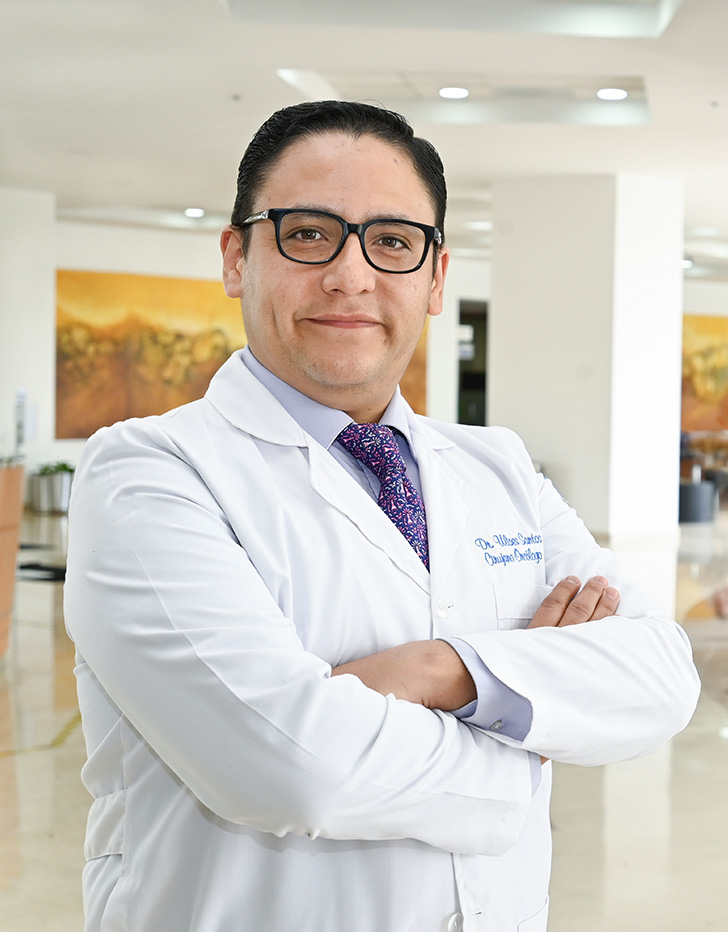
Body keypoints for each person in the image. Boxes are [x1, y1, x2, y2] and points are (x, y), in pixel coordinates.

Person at [64, 100, 700, 932]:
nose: (351, 276)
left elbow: (663, 675)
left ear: (436, 279)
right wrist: (528, 729)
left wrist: (443, 670)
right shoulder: (148, 473)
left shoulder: (498, 466)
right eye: (307, 233)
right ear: (236, 258)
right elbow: (293, 768)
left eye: (393, 241)